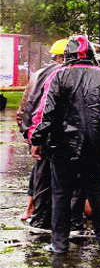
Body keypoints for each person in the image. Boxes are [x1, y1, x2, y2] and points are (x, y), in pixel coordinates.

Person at [29, 35, 100, 254]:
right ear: (90, 55)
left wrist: (35, 139)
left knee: (61, 194)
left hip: (62, 145)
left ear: (67, 55)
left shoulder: (58, 76)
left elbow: (44, 114)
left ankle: (59, 244)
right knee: (96, 192)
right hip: (94, 145)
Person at [16, 38, 67, 225]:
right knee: (55, 176)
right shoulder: (64, 74)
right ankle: (47, 219)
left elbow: (24, 106)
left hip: (36, 131)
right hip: (55, 132)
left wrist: (28, 133)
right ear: (65, 56)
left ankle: (37, 214)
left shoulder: (37, 74)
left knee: (40, 173)